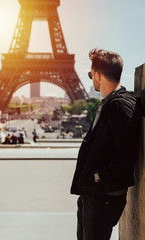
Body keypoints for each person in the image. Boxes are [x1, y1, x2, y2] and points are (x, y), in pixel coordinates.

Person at [70, 48, 140, 240]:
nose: (91, 78)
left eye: (91, 74)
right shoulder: (112, 103)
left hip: (102, 196)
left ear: (98, 75)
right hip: (93, 194)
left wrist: (97, 177)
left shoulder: (119, 105)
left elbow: (127, 155)